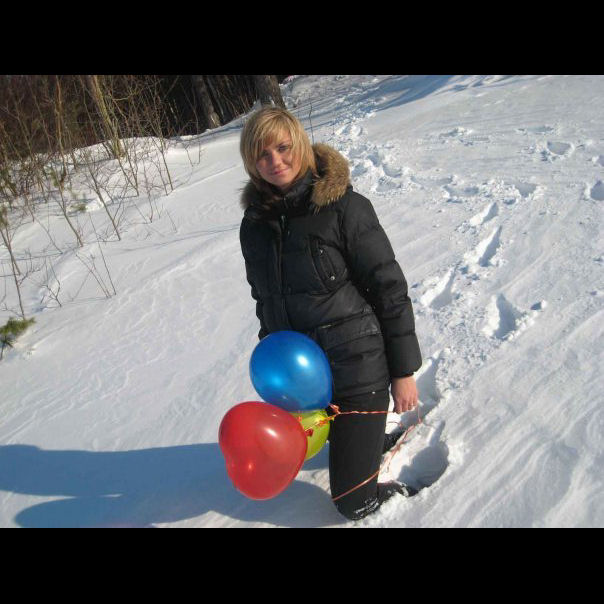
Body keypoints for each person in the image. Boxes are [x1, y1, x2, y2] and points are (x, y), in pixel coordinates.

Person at [238, 106, 423, 521]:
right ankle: (366, 439)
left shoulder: (344, 208)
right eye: (262, 154)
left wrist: (403, 371)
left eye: (283, 148)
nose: (275, 161)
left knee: (352, 502)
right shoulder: (254, 225)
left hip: (358, 369)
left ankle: (411, 481)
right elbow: (264, 299)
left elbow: (389, 289)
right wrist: (277, 367)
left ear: (301, 145)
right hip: (307, 383)